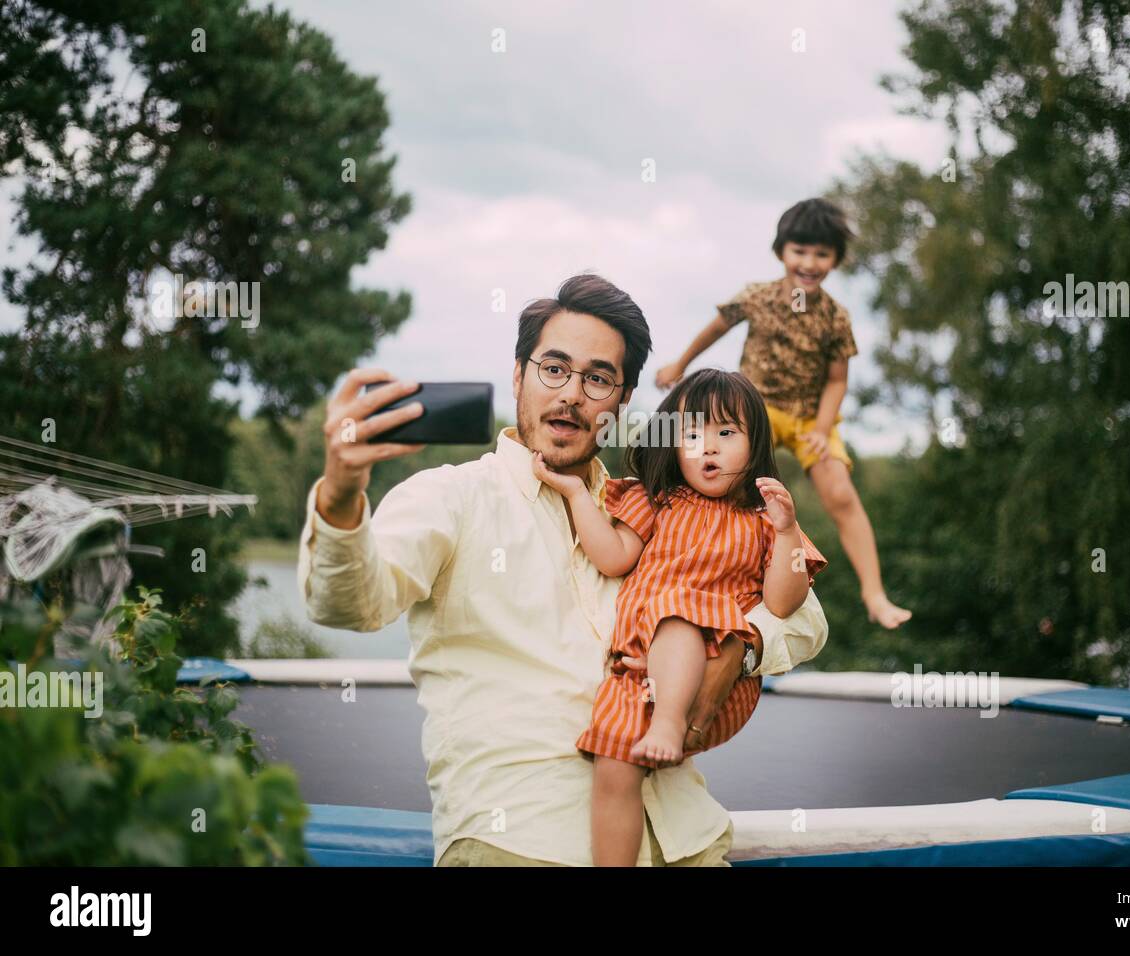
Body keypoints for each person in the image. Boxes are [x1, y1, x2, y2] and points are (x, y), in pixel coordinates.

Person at [297, 273, 830, 866]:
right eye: (554, 368)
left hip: (687, 839)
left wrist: (741, 647)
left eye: (598, 378)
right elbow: (348, 603)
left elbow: (807, 621)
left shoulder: (658, 502)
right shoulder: (449, 498)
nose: (572, 394)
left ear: (623, 402)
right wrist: (342, 496)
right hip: (518, 839)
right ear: (520, 374)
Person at [532, 368, 828, 865]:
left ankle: (668, 725)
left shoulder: (762, 519)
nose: (707, 447)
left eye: (725, 433)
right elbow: (613, 556)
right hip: (636, 673)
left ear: (755, 445)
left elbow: (784, 603)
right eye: (691, 434)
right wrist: (576, 494)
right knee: (613, 766)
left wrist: (786, 533)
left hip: (716, 679)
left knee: (678, 608)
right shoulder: (658, 502)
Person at [655, 197, 912, 629]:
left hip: (812, 416)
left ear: (834, 260)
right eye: (800, 251)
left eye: (821, 254)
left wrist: (823, 428)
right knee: (732, 478)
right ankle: (705, 559)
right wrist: (680, 365)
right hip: (757, 408)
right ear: (781, 252)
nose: (809, 263)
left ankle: (874, 594)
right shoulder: (758, 297)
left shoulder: (835, 317)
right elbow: (716, 328)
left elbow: (836, 381)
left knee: (842, 495)